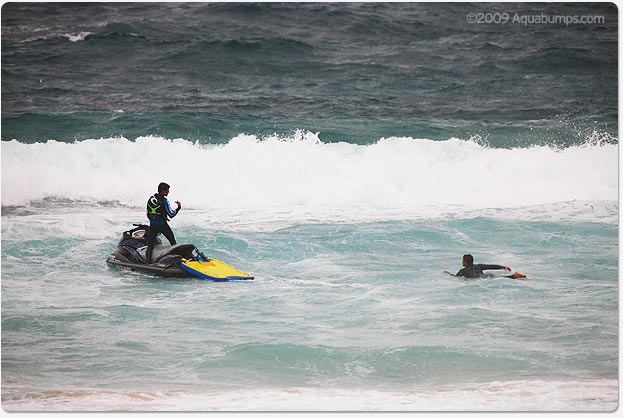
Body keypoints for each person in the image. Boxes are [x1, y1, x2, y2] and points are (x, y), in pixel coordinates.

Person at [145, 182, 181, 263]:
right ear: (163, 191)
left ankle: (147, 263)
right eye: (167, 190)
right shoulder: (164, 200)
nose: (168, 192)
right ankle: (178, 261)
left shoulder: (151, 199)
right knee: (173, 242)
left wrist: (153, 221)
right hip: (162, 225)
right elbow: (171, 214)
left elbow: (148, 213)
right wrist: (178, 207)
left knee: (150, 246)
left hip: (153, 225)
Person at [444, 254, 527, 279]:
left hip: (480, 279)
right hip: (486, 276)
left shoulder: (462, 271)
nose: (461, 261)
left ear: (465, 262)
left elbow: (455, 277)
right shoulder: (479, 266)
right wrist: (503, 267)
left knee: (501, 278)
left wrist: (448, 273)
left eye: (462, 260)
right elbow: (491, 266)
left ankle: (516, 276)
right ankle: (516, 276)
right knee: (501, 277)